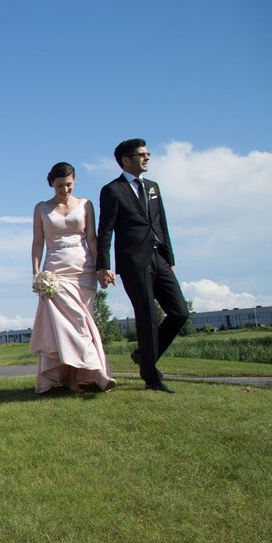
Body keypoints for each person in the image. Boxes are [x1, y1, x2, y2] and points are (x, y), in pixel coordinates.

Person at [96, 138, 189, 392]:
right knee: (147, 316)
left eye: (147, 154)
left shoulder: (153, 187)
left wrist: (169, 260)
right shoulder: (112, 190)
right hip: (133, 261)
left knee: (180, 312)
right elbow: (105, 231)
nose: (147, 158)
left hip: (159, 258)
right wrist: (103, 266)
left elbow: (162, 225)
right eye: (141, 154)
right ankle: (152, 377)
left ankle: (143, 355)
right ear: (126, 160)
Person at [30, 162, 116, 393]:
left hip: (83, 270)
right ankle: (98, 373)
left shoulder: (86, 204)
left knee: (80, 324)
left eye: (69, 185)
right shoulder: (41, 208)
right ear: (51, 184)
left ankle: (71, 378)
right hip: (55, 273)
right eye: (60, 186)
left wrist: (102, 268)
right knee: (73, 324)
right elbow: (38, 242)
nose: (65, 190)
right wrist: (36, 272)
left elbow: (92, 239)